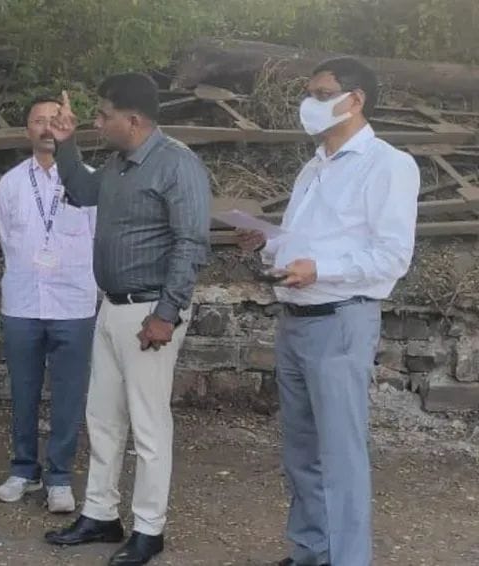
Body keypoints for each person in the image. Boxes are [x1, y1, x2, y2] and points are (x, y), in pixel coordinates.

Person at [236, 57, 419, 566]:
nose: (309, 105)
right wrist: (266, 245)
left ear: (355, 99)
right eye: (310, 94)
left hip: (342, 320)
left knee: (340, 456)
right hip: (296, 320)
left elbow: (391, 256)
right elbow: (302, 243)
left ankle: (347, 559)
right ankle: (311, 550)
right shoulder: (314, 165)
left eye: (321, 94)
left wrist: (322, 270)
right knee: (301, 453)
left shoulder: (389, 164)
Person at [42, 73, 212, 566]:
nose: (99, 122)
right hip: (112, 307)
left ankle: (149, 529)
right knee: (103, 416)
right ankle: (100, 513)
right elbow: (79, 191)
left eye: (103, 115)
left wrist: (167, 313)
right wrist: (66, 141)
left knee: (149, 424)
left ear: (132, 120)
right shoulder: (118, 165)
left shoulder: (177, 165)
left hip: (149, 312)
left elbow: (190, 243)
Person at [0, 96, 97, 514]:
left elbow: (98, 235)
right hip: (22, 300)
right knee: (23, 389)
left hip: (74, 300)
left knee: (69, 392)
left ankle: (59, 476)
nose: (47, 128)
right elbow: (6, 239)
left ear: (69, 126)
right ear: (27, 131)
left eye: (56, 120)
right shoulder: (11, 183)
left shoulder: (88, 179)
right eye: (38, 120)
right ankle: (23, 469)